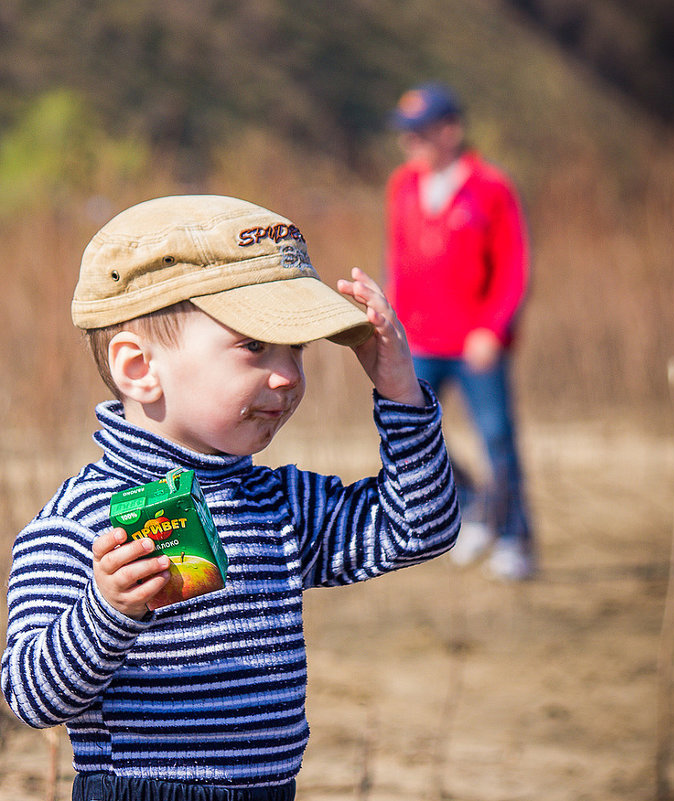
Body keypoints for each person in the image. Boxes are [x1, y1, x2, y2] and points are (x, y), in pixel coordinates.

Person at [1, 194, 460, 801]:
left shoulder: (279, 502)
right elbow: (29, 698)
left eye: (296, 349)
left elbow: (418, 529)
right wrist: (107, 613)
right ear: (139, 368)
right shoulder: (78, 524)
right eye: (255, 346)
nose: (289, 376)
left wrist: (400, 391)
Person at [385, 82, 535, 580]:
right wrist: (392, 326)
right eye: (406, 136)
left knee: (497, 438)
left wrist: (493, 329)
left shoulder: (491, 186)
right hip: (420, 341)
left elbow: (514, 266)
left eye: (420, 133)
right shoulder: (402, 185)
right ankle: (473, 510)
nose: (411, 145)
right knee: (415, 435)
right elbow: (399, 262)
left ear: (450, 130)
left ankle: (515, 536)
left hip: (475, 344)